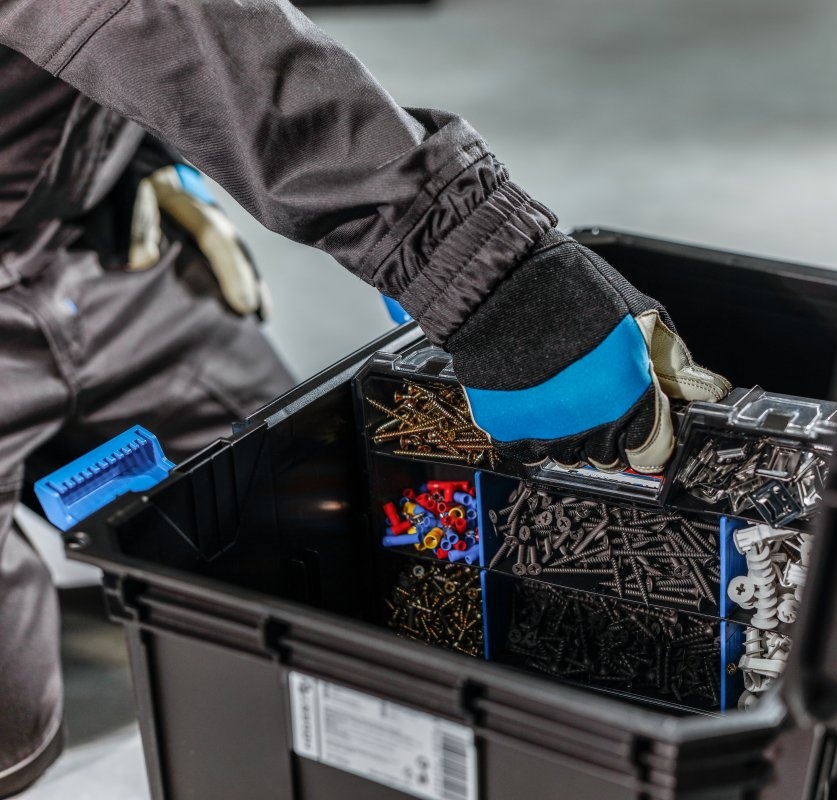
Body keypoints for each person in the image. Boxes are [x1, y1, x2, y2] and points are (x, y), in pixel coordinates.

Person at [0, 0, 731, 793]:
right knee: (10, 734)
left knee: (286, 527)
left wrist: (122, 148)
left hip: (84, 234)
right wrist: (489, 279)